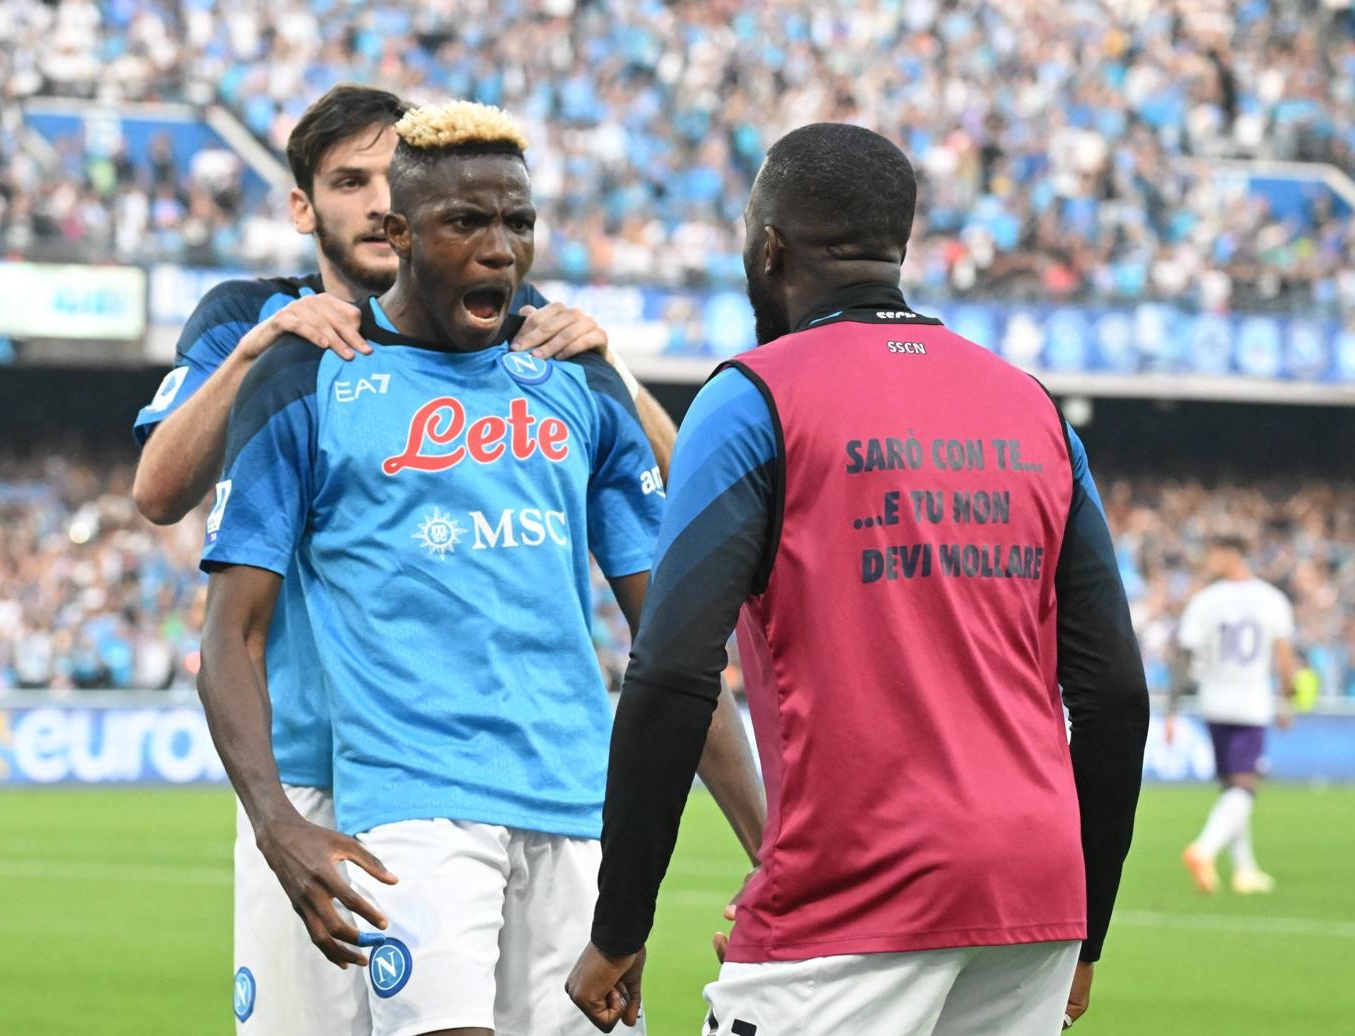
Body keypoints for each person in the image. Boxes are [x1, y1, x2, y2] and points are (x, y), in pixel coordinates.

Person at [566, 123, 1151, 1036]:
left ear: (768, 248)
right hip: (1034, 900)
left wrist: (619, 924)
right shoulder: (1029, 405)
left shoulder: (753, 394)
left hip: (852, 897)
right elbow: (1114, 695)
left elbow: (675, 670)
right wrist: (1089, 932)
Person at [198, 99, 763, 1036]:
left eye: (518, 224)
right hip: (414, 813)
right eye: (468, 222)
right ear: (398, 232)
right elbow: (231, 632)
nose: (501, 249)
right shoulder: (307, 379)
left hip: (582, 816)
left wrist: (768, 849)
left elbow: (673, 642)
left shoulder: (575, 379)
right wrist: (276, 824)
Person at [1168, 534, 1298, 895]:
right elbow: (1284, 656)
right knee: (1243, 789)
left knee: (1231, 787)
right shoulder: (1271, 599)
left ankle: (1245, 869)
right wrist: (1287, 702)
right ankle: (1204, 849)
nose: (1208, 562)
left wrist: (1173, 708)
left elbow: (1184, 655)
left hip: (1215, 702)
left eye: (1213, 554)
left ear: (1231, 555)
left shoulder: (1206, 601)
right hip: (1251, 704)